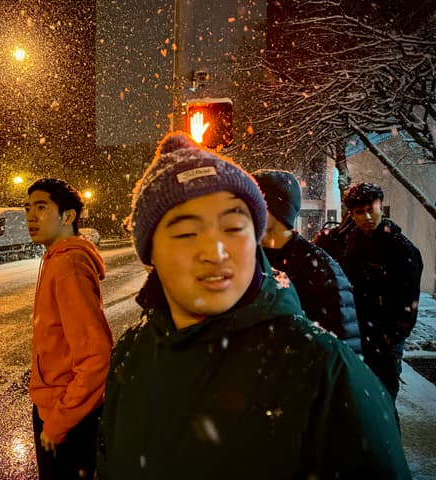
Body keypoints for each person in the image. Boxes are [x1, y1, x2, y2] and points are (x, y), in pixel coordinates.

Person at [97, 133, 409, 479]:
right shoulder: (130, 353)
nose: (216, 252)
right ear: (149, 253)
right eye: (186, 233)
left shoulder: (322, 367)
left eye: (233, 228)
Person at [24, 178, 113, 479]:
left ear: (68, 216)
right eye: (28, 209)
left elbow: (96, 356)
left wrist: (59, 421)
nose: (31, 217)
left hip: (67, 418)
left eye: (41, 207)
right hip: (58, 410)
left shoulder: (68, 266)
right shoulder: (56, 259)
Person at [252, 169, 361, 353]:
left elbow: (341, 351)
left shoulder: (319, 268)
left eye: (254, 202)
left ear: (274, 209)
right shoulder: (247, 260)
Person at [340, 182, 423, 412]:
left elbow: (408, 305)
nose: (367, 216)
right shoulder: (348, 243)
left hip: (385, 344)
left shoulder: (402, 249)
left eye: (371, 209)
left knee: (383, 406)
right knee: (357, 409)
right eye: (359, 212)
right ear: (351, 214)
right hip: (354, 338)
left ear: (380, 207)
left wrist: (388, 339)